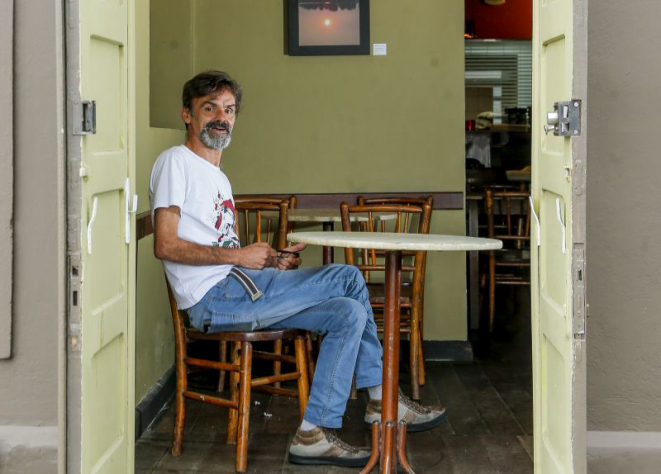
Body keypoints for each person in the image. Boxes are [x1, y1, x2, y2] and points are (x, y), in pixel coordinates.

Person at [149, 70, 447, 468]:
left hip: (241, 287)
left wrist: (272, 259)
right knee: (348, 276)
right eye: (210, 108)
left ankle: (313, 433)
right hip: (214, 300)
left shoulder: (217, 175)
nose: (222, 117)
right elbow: (165, 244)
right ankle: (381, 399)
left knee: (350, 313)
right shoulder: (175, 162)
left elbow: (221, 246)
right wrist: (240, 258)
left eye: (229, 109)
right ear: (188, 114)